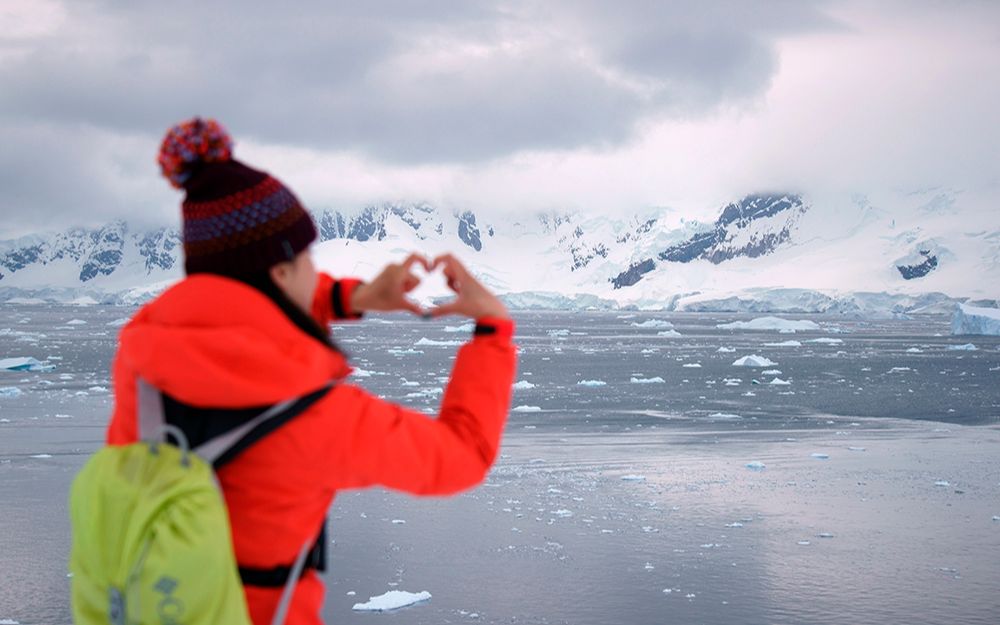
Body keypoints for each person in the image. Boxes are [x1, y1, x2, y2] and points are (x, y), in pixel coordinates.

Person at [104, 118, 517, 624]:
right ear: (280, 271)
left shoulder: (141, 359)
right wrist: (492, 332)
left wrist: (353, 297)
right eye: (306, 258)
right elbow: (462, 456)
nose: (313, 270)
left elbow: (238, 312)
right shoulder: (319, 418)